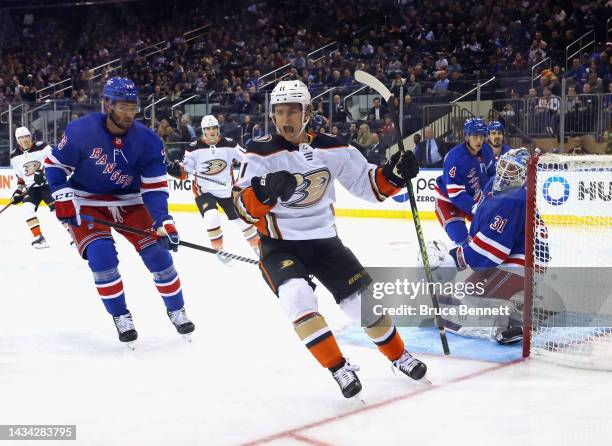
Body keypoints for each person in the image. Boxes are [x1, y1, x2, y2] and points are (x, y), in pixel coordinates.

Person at [232, 80, 427, 400]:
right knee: (296, 297)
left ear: (307, 112)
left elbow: (369, 184)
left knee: (362, 304)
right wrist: (262, 192)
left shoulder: (333, 147)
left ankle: (398, 356)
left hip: (324, 241)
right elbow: (241, 205)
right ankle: (339, 367)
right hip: (279, 244)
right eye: (279, 112)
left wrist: (392, 175)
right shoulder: (260, 151)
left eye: (292, 111)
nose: (285, 118)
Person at [44, 77, 195, 345]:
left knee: (158, 255)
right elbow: (55, 165)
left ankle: (177, 310)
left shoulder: (148, 141)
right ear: (107, 104)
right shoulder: (81, 131)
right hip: (88, 201)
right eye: (123, 106)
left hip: (131, 201)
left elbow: (155, 188)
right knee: (102, 258)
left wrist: (163, 219)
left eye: (133, 107)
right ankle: (121, 316)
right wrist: (60, 192)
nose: (128, 113)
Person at [421, 149, 549, 344]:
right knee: (468, 290)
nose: (505, 172)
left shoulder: (516, 199)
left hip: (523, 264)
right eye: (504, 165)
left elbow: (492, 250)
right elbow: (484, 222)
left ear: (524, 176)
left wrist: (455, 258)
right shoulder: (494, 185)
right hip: (510, 257)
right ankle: (520, 304)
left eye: (513, 169)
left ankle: (522, 313)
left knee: (473, 300)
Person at [167, 115, 259, 262]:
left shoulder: (230, 144)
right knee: (211, 216)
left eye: (214, 128)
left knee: (242, 220)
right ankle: (218, 249)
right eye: (208, 128)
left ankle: (258, 247)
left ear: (218, 129)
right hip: (204, 191)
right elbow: (185, 173)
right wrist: (176, 171)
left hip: (227, 190)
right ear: (203, 130)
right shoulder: (193, 147)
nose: (211, 131)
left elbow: (249, 160)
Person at [434, 118, 494, 246]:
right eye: (475, 136)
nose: (479, 140)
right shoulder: (455, 158)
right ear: (466, 136)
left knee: (491, 233)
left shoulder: (487, 150)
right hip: (448, 202)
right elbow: (455, 194)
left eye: (482, 136)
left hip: (474, 197)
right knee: (462, 240)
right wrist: (475, 208)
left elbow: (492, 176)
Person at [9, 126, 55, 248]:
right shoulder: (14, 156)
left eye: (26, 136)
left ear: (30, 137)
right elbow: (20, 178)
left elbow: (54, 160)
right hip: (32, 189)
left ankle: (74, 237)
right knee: (27, 210)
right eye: (21, 137)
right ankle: (39, 238)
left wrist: (42, 172)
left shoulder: (42, 146)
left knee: (58, 210)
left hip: (47, 185)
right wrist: (18, 192)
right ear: (17, 140)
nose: (24, 139)